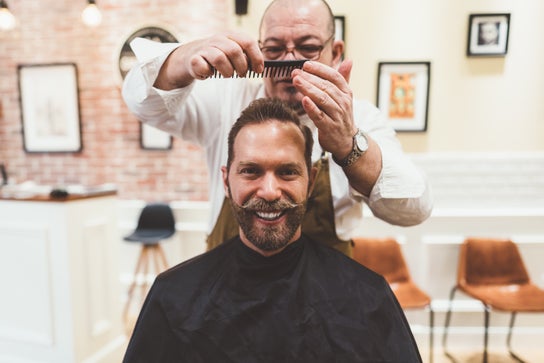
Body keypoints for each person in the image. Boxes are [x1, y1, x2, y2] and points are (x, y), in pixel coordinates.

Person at [122, 98, 423, 362]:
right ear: (226, 181)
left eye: (287, 172)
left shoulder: (367, 297)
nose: (269, 191)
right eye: (251, 171)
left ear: (311, 179)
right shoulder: (174, 296)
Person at [122, 0, 432, 256]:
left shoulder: (360, 117)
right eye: (274, 49)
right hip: (227, 294)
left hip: (321, 301)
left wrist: (349, 146)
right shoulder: (226, 99)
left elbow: (414, 209)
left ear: (336, 53)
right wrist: (182, 58)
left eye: (307, 47)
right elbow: (143, 102)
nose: (290, 61)